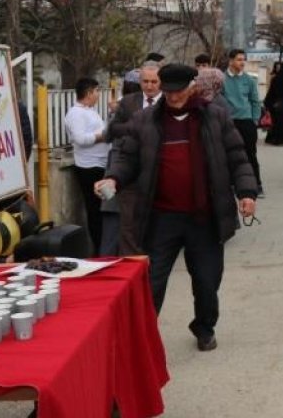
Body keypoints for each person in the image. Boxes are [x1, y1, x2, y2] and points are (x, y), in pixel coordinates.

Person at [98, 64, 258, 352]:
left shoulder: (214, 116)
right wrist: (114, 177)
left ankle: (204, 326)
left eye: (179, 91)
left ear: (192, 87)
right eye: (168, 91)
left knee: (207, 281)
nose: (173, 97)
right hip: (161, 217)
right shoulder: (145, 120)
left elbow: (237, 156)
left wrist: (247, 192)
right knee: (152, 280)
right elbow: (127, 157)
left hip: (205, 217)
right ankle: (143, 336)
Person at [65, 77, 114, 255]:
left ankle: (104, 245)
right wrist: (102, 135)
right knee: (95, 210)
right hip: (89, 167)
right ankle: (99, 248)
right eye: (96, 91)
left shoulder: (90, 111)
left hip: (100, 164)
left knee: (102, 209)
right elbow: (80, 139)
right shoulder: (75, 114)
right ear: (88, 93)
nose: (98, 95)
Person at [223, 49, 264, 198]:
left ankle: (257, 184)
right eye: (239, 59)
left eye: (243, 59)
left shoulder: (249, 80)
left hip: (247, 122)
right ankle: (232, 184)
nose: (242, 63)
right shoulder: (222, 79)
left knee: (250, 154)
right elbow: (219, 101)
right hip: (229, 122)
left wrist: (254, 119)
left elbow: (255, 101)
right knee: (228, 155)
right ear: (231, 61)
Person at [107, 61, 162, 155]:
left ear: (161, 82)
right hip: (132, 161)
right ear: (140, 81)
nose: (149, 86)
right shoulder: (127, 101)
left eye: (154, 82)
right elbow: (113, 128)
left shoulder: (169, 102)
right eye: (145, 81)